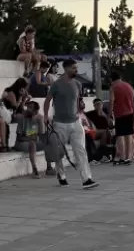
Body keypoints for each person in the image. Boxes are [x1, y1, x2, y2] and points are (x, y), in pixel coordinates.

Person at [43, 59, 98, 189]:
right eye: (73, 68)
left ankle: (87, 179)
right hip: (60, 124)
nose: (76, 70)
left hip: (75, 122)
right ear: (66, 68)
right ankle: (61, 176)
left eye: (76, 67)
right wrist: (46, 116)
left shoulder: (78, 84)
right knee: (59, 152)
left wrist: (81, 105)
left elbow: (79, 101)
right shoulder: (56, 85)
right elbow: (47, 101)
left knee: (81, 150)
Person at [14, 101, 59, 178]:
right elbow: (20, 137)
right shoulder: (21, 118)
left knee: (49, 137)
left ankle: (49, 167)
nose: (27, 109)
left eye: (30, 108)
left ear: (36, 111)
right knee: (32, 144)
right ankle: (34, 170)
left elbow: (42, 135)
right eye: (27, 107)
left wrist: (40, 122)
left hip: (34, 141)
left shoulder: (39, 118)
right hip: (21, 143)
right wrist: (32, 138)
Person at [109, 71, 134, 165]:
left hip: (119, 114)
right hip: (130, 113)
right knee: (128, 135)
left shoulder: (113, 88)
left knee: (120, 136)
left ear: (111, 79)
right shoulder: (129, 86)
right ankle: (128, 157)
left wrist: (109, 115)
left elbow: (111, 102)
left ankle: (122, 157)